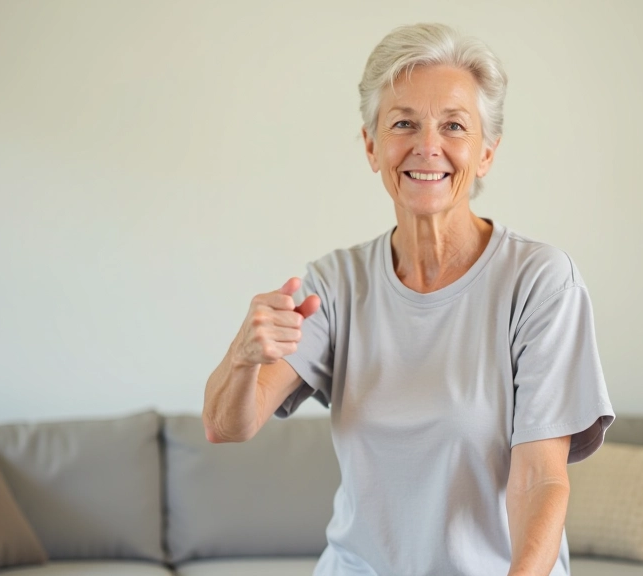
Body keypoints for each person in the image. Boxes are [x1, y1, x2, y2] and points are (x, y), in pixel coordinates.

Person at [202, 22, 614, 576]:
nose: (428, 146)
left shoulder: (540, 282)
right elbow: (227, 425)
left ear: (487, 152)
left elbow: (540, 477)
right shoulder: (335, 285)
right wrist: (243, 356)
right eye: (403, 123)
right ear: (372, 147)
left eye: (453, 125)